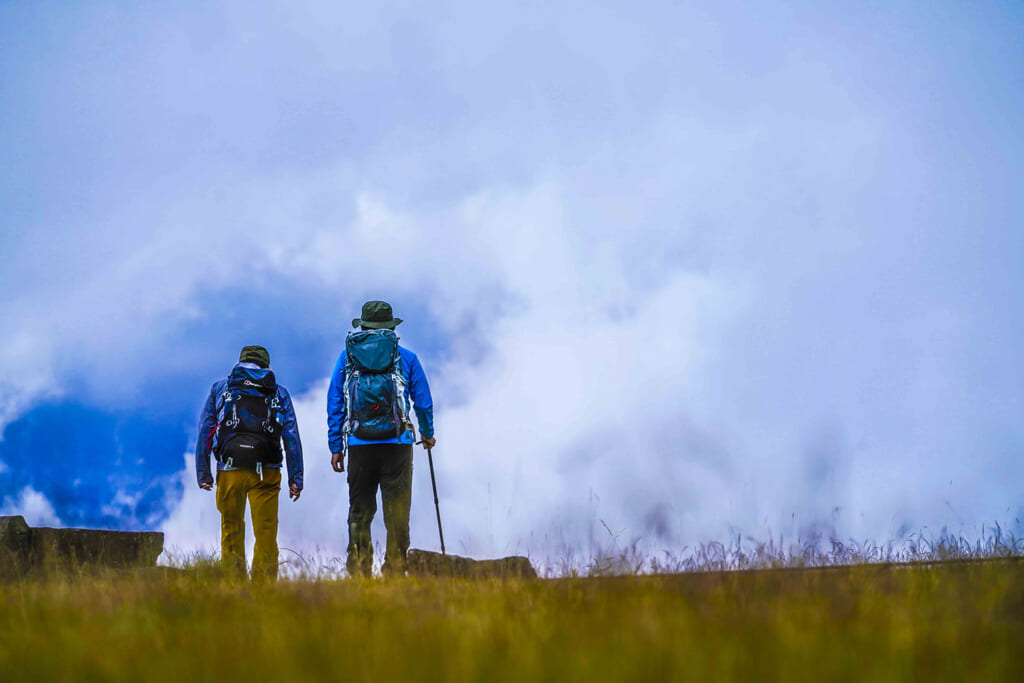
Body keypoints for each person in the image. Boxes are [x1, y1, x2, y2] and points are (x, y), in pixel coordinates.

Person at [327, 301, 435, 577]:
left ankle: (360, 572)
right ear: (390, 326)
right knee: (397, 513)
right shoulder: (407, 358)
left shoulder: (347, 357)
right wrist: (427, 433)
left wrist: (336, 445)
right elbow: (422, 402)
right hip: (397, 444)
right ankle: (395, 572)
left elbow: (336, 400)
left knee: (360, 511)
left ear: (362, 325)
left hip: (359, 444)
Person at [196, 345, 303, 581]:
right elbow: (291, 437)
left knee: (231, 529)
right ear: (267, 366)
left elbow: (205, 431)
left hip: (229, 470)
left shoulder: (220, 388)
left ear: (240, 362)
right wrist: (296, 477)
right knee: (265, 533)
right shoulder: (279, 392)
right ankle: (263, 592)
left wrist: (203, 473)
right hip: (267, 472)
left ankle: (234, 588)